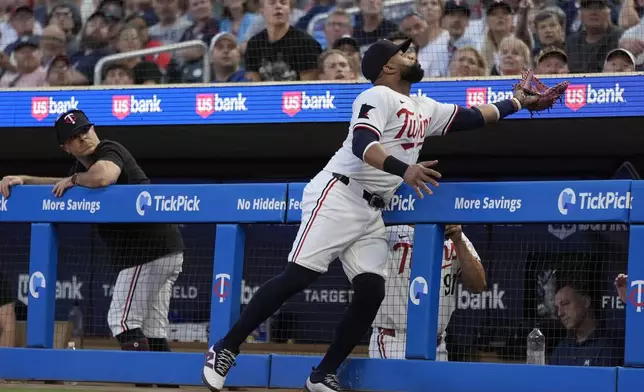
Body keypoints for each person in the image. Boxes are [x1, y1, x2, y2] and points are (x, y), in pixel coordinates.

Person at [202, 37, 542, 392]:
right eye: (404, 52)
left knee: (371, 290)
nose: (412, 54)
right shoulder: (375, 96)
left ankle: (322, 374)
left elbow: (473, 117)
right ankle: (225, 348)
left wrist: (517, 101)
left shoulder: (423, 106)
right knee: (298, 276)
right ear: (387, 67)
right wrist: (404, 170)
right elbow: (364, 144)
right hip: (339, 193)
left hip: (371, 209)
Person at [0, 109, 185, 388]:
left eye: (85, 130)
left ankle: (144, 382)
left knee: (121, 320)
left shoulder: (109, 150)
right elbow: (58, 185)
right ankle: (168, 384)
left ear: (93, 128)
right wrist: (24, 179)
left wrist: (74, 180)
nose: (83, 137)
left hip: (148, 252)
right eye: (74, 136)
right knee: (151, 328)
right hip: (164, 250)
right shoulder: (80, 171)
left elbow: (103, 177)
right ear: (66, 147)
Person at [369, 224, 485, 360]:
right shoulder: (388, 231)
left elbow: (478, 285)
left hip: (437, 344)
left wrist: (458, 241)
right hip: (394, 340)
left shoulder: (455, 236)